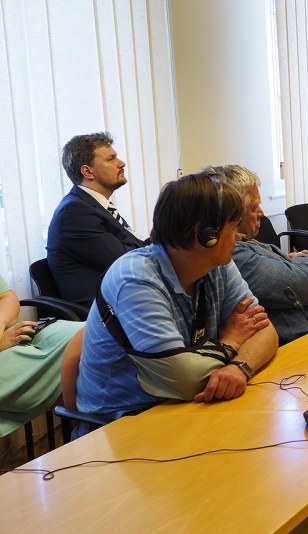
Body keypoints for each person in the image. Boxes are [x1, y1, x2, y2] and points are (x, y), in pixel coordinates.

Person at [75, 171, 279, 427]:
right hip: (125, 423)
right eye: (233, 226)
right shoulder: (135, 279)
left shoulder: (217, 264)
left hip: (188, 408)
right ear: (206, 234)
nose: (239, 237)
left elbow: (266, 331)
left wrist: (239, 367)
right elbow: (185, 381)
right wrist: (230, 342)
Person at [218, 164, 308, 345]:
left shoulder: (248, 244)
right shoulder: (234, 255)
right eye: (254, 208)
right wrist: (305, 259)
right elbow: (307, 284)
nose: (262, 213)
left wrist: (293, 265)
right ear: (233, 215)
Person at [47, 132, 146, 308]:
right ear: (87, 171)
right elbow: (128, 262)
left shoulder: (95, 206)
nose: (121, 163)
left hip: (125, 297)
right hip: (106, 311)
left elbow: (135, 247)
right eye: (111, 159)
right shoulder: (75, 213)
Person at [0, 276, 84, 438]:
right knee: (86, 368)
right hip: (5, 347)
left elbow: (7, 297)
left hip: (10, 337)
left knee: (91, 332)